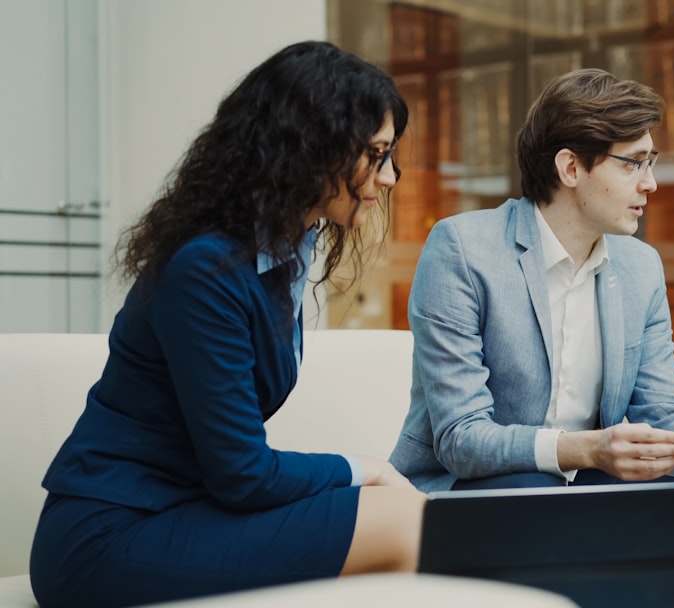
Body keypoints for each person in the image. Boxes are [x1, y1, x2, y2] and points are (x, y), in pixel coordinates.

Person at [29, 41, 426, 608]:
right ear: (312, 146)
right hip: (107, 539)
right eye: (376, 153)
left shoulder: (278, 256)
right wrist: (364, 469)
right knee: (404, 520)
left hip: (189, 510)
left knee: (408, 518)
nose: (388, 177)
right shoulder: (205, 269)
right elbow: (244, 475)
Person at [388, 68, 674, 560]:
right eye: (634, 164)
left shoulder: (640, 266)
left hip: (595, 486)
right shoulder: (464, 248)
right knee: (547, 502)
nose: (652, 183)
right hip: (480, 488)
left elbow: (665, 409)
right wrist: (588, 449)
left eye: (651, 162)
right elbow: (461, 438)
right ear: (571, 168)